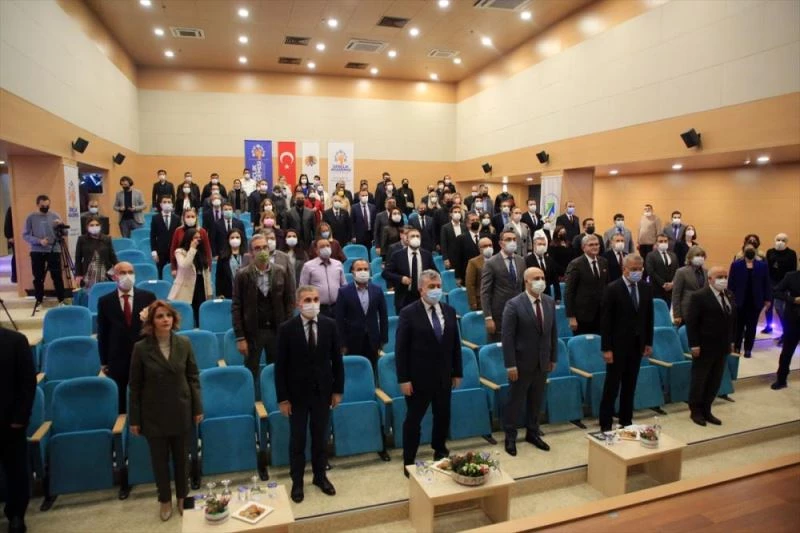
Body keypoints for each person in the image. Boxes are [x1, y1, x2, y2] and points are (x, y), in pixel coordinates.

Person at [129, 300, 203, 522]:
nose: (165, 320)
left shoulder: (184, 343)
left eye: (168, 316)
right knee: (159, 461)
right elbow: (135, 386)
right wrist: (135, 419)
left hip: (181, 408)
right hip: (154, 413)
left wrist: (197, 407)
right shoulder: (141, 348)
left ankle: (182, 496)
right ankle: (164, 499)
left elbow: (193, 377)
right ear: (151, 321)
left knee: (182, 458)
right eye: (160, 316)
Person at [276, 285, 343, 503]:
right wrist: (283, 398)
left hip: (322, 392)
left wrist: (337, 390)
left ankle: (320, 477)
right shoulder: (287, 329)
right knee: (298, 440)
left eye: (315, 299)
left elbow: (337, 361)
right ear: (298, 304)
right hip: (296, 395)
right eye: (307, 300)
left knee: (320, 438)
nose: (312, 303)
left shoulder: (329, 325)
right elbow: (280, 367)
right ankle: (297, 481)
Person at [395, 270, 462, 473]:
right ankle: (409, 459)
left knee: (442, 416)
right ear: (421, 289)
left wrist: (457, 371)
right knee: (413, 421)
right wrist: (404, 379)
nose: (436, 290)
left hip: (443, 376)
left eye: (438, 286)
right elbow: (401, 349)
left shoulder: (449, 311)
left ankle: (440, 451)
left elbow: (455, 344)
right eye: (431, 287)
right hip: (418, 379)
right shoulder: (408, 313)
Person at [502, 267, 557, 455]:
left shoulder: (549, 302)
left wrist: (553, 357)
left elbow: (553, 332)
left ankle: (533, 432)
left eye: (542, 277)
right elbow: (507, 338)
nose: (540, 281)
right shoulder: (514, 304)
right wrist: (510, 364)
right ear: (526, 282)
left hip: (542, 361)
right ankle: (510, 436)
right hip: (521, 362)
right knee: (515, 401)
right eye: (536, 278)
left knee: (536, 400)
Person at [599, 254, 654, 431]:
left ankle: (626, 420)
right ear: (624, 269)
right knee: (612, 386)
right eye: (633, 269)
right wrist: (606, 348)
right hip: (617, 346)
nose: (637, 272)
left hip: (637, 345)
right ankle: (606, 423)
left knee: (630, 385)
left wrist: (648, 342)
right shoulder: (612, 289)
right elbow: (606, 322)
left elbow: (648, 317)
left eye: (640, 269)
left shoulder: (645, 287)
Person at [232, 235, 294, 388]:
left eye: (265, 247)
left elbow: (289, 303)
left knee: (278, 371)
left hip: (276, 330)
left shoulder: (280, 271)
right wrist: (240, 337)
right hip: (253, 332)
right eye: (257, 248)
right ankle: (251, 400)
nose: (262, 251)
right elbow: (236, 307)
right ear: (251, 252)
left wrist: (287, 330)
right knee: (251, 371)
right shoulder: (242, 275)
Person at [97, 262, 157, 412]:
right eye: (123, 273)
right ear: (115, 276)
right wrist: (104, 361)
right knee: (122, 401)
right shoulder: (105, 301)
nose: (127, 276)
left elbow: (153, 329)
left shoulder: (148, 297)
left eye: (130, 272)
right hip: (117, 358)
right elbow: (103, 332)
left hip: (144, 355)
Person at [686, 267, 737, 426]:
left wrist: (732, 341)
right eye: (719, 277)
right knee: (700, 379)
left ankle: (707, 408)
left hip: (722, 346)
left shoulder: (729, 294)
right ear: (710, 279)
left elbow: (731, 320)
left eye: (725, 276)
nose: (723, 280)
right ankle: (695, 410)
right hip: (704, 346)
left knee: (715, 380)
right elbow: (692, 323)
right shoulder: (699, 296)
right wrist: (694, 344)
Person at [0, 326, 36, 533]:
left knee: (15, 470)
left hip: (10, 422)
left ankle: (16, 514)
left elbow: (27, 383)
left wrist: (20, 418)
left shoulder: (15, 341)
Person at [335, 259, 389, 372]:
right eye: (359, 269)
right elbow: (339, 320)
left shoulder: (377, 290)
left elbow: (383, 316)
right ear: (353, 272)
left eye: (365, 269)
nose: (363, 271)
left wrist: (383, 339)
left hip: (373, 339)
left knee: (372, 370)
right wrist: (342, 343)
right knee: (354, 371)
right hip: (352, 340)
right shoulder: (343, 292)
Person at [481, 230, 526, 342]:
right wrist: (488, 317)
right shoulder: (491, 263)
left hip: (519, 311)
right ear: (501, 243)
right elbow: (485, 292)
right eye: (508, 239)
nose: (512, 242)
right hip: (499, 313)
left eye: (514, 239)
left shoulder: (521, 261)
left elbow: (523, 287)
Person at [728, 242, 771, 357]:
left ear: (755, 251)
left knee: (752, 327)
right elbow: (731, 283)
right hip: (739, 300)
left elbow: (766, 283)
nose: (750, 251)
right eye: (748, 249)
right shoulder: (736, 265)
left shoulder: (762, 265)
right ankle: (737, 346)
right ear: (744, 251)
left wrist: (767, 299)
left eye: (752, 249)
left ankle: (748, 348)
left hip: (755, 301)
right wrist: (730, 297)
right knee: (738, 326)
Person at [22, 195, 66, 306]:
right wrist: (38, 241)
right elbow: (25, 235)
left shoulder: (55, 215)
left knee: (57, 276)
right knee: (38, 277)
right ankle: (39, 300)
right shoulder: (31, 217)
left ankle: (61, 300)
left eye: (47, 205)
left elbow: (65, 233)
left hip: (54, 249)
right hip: (37, 250)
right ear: (37, 205)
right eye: (43, 206)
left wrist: (61, 225)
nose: (45, 208)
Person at [383, 228, 436, 314]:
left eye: (418, 236)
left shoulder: (426, 255)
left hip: (422, 296)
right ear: (407, 239)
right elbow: (386, 273)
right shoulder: (397, 255)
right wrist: (401, 278)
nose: (415, 238)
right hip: (404, 298)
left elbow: (435, 273)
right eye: (412, 236)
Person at [564, 234, 608, 335]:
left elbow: (606, 287)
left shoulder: (604, 262)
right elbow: (569, 292)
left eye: (597, 244)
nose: (595, 247)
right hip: (582, 316)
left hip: (601, 314)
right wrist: (571, 317)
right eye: (591, 245)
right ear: (583, 247)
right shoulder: (575, 264)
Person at [168, 228, 213, 326]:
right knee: (187, 315)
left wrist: (209, 291)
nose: (198, 240)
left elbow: (206, 273)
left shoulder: (201, 252)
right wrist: (192, 249)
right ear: (189, 238)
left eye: (199, 238)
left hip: (200, 286)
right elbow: (184, 265)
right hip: (185, 288)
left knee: (199, 314)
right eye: (195, 238)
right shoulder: (179, 252)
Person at [771, 270, 800, 390]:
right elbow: (776, 291)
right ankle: (781, 379)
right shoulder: (791, 276)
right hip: (793, 320)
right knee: (787, 352)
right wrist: (792, 299)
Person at [764, 233, 797, 335]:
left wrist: (788, 285)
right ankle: (768, 326)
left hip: (784, 284)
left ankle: (785, 331)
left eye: (783, 240)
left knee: (780, 308)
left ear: (786, 242)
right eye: (778, 239)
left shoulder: (791, 253)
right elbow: (767, 268)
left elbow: (793, 269)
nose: (780, 242)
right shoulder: (770, 252)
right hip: (771, 282)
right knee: (768, 306)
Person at [74, 216, 117, 289]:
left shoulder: (107, 239)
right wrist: (78, 274)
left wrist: (119, 270)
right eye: (92, 225)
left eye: (97, 225)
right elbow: (78, 259)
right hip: (88, 273)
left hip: (104, 272)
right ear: (87, 227)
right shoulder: (82, 239)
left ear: (100, 226)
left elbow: (113, 257)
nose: (94, 227)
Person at [169, 209, 213, 277]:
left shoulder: (202, 231)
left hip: (199, 266)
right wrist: (173, 268)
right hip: (183, 265)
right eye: (188, 216)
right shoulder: (178, 231)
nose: (190, 218)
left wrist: (209, 268)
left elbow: (207, 251)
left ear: (196, 218)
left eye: (193, 216)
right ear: (183, 218)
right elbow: (173, 250)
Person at [672, 246, 708, 326]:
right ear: (690, 257)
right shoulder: (681, 272)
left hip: (702, 311)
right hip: (687, 310)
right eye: (697, 255)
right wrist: (677, 315)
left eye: (702, 256)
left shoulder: (706, 272)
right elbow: (676, 294)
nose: (700, 258)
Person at [646, 234, 678, 307]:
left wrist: (672, 283)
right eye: (660, 241)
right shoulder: (651, 255)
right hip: (657, 289)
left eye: (665, 241)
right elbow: (651, 271)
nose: (663, 243)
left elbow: (677, 270)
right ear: (656, 243)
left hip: (671, 290)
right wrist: (663, 284)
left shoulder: (673, 255)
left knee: (668, 309)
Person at [525, 236, 562, 302]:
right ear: (534, 246)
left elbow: (555, 280)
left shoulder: (549, 260)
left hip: (547, 295)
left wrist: (558, 297)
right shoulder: (527, 260)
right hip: (532, 295)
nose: (542, 246)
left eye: (544, 244)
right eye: (539, 244)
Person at [215, 228, 245, 299]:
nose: (235, 239)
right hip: (228, 293)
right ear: (228, 240)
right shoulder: (222, 257)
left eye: (237, 237)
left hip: (245, 293)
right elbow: (219, 276)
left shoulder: (246, 255)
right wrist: (219, 293)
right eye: (232, 237)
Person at [452, 212, 482, 283]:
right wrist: (458, 276)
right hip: (467, 273)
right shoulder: (461, 238)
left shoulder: (486, 236)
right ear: (467, 224)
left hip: (484, 274)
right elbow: (457, 258)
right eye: (472, 220)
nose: (475, 222)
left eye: (477, 220)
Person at [466, 238, 494, 311]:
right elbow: (470, 284)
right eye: (485, 246)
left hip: (496, 299)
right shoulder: (473, 262)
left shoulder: (498, 260)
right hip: (481, 300)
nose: (488, 248)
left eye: (490, 245)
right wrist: (473, 303)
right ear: (479, 249)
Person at [4, 207, 15, 283]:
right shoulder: (12, 208)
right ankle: (14, 277)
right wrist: (9, 236)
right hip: (13, 237)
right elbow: (7, 223)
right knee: (16, 257)